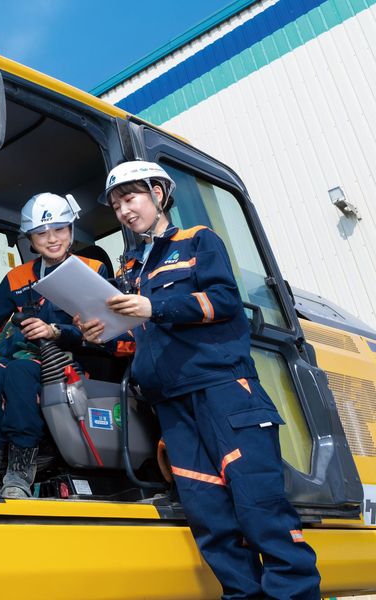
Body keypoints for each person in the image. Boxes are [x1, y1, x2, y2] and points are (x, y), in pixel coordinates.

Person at [77, 161, 320, 599]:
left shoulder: (198, 240)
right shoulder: (131, 268)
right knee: (211, 521)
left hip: (222, 393)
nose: (124, 211)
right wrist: (97, 333)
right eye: (116, 206)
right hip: (171, 407)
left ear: (158, 193)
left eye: (130, 198)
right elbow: (139, 337)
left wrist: (155, 308)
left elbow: (223, 302)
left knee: (260, 509)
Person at [0, 192, 107, 499]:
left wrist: (54, 330)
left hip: (65, 360)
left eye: (59, 229)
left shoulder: (91, 270)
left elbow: (101, 329)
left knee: (19, 372)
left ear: (71, 229)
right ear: (31, 239)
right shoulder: (18, 278)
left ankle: (20, 470)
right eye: (42, 233)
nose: (52, 239)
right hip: (23, 357)